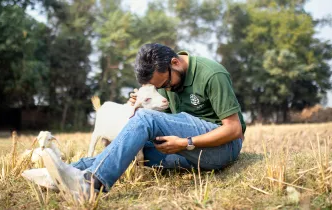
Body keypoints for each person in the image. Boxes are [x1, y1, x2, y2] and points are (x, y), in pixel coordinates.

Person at [23, 43, 246, 196]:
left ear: (175, 63)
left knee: (144, 119)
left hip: (221, 148)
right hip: (188, 151)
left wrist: (186, 143)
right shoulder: (166, 80)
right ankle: (63, 172)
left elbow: (234, 129)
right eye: (159, 88)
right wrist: (142, 100)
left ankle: (91, 185)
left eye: (165, 85)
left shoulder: (212, 74)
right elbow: (168, 119)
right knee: (129, 145)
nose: (166, 90)